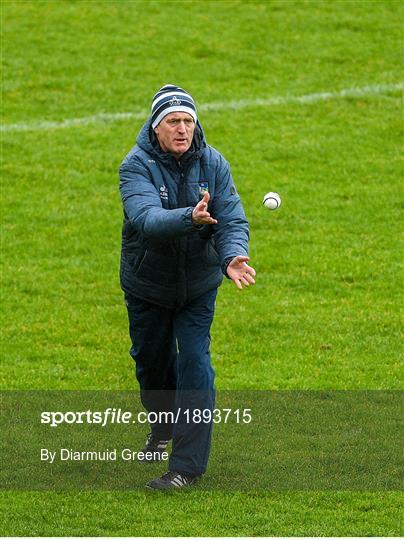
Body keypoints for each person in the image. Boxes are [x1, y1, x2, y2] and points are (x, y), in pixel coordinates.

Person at [119, 84, 256, 491]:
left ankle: (185, 468)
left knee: (196, 364)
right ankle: (162, 426)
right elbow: (147, 219)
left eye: (188, 121)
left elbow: (231, 217)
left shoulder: (213, 163)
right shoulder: (135, 166)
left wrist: (232, 255)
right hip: (148, 286)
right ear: (156, 126)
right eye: (173, 121)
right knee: (152, 366)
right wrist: (189, 218)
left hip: (198, 285)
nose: (182, 129)